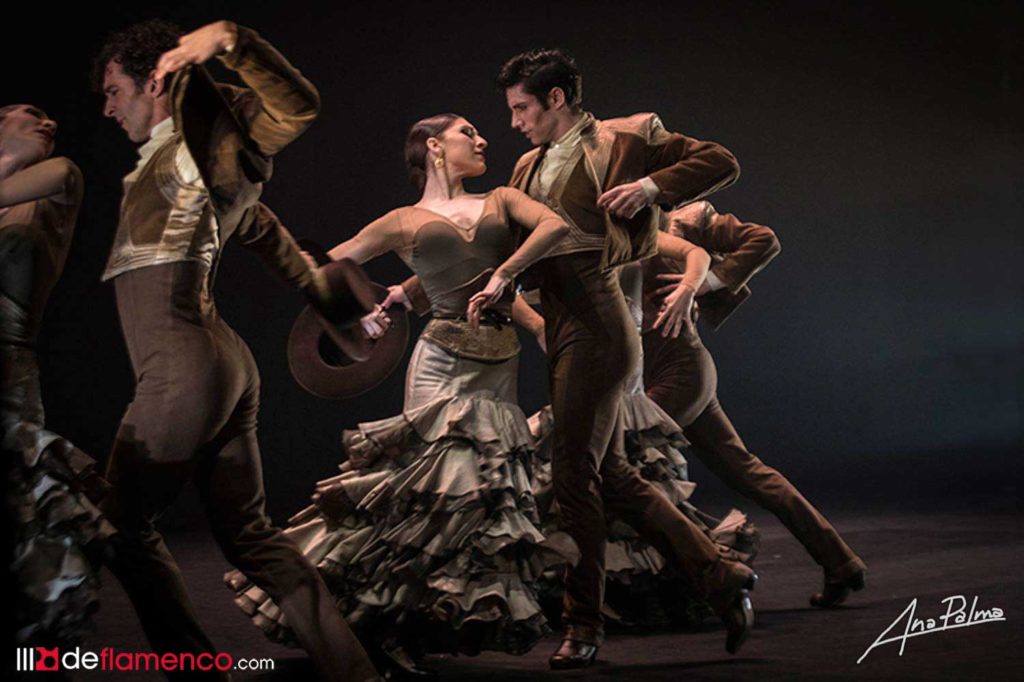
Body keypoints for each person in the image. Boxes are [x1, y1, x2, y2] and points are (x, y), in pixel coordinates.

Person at [227, 112, 584, 671]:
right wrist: (353, 314)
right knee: (425, 493)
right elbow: (324, 266)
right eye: (468, 132)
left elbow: (554, 227)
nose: (483, 137)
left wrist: (503, 275)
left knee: (476, 498)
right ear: (434, 147)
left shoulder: (502, 199)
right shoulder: (402, 219)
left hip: (498, 361)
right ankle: (383, 624)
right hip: (440, 363)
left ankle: (421, 621)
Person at [93, 19, 377, 681]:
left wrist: (227, 39)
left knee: (120, 527)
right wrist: (327, 297)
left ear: (154, 79)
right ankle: (356, 672)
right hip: (221, 364)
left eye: (114, 89)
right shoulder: (188, 162)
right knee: (250, 537)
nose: (107, 107)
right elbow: (266, 231)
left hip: (183, 364)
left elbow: (297, 106)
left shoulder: (210, 143)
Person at [492, 48, 756, 668]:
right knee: (611, 476)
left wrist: (649, 187)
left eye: (521, 107)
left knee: (573, 473)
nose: (514, 122)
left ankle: (583, 625)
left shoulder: (626, 135)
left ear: (556, 98)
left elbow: (721, 160)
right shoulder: (528, 163)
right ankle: (722, 580)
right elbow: (515, 240)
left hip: (601, 318)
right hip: (560, 322)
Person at [643, 200, 866, 607]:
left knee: (614, 466)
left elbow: (762, 240)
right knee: (748, 472)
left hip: (679, 370)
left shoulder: (685, 216)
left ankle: (715, 575)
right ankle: (840, 562)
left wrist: (705, 283)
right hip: (670, 371)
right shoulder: (604, 212)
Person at [523, 260, 760, 628]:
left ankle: (585, 623)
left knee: (581, 480)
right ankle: (716, 575)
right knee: (611, 480)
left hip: (608, 363)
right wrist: (536, 321)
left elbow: (699, 250)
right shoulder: (553, 223)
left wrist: (691, 287)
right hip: (586, 357)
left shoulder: (615, 226)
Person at [1, 103, 115, 647]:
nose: (48, 121)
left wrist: (10, 151)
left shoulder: (57, 178)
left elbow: (51, 168)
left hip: (8, 371)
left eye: (51, 116)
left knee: (20, 516)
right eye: (30, 114)